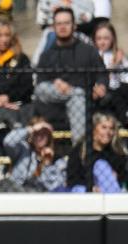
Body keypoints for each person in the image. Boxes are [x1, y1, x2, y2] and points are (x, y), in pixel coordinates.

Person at [33, 6, 106, 145]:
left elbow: (102, 74)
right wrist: (56, 83)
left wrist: (101, 85)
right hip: (53, 102)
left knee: (78, 97)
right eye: (59, 24)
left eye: (66, 23)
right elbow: (40, 83)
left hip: (80, 102)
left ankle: (78, 149)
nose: (62, 27)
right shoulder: (47, 54)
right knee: (42, 89)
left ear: (74, 25)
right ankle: (80, 149)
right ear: (53, 27)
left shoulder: (88, 50)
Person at [0, 116, 68, 192]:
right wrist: (31, 129)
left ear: (49, 136)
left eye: (44, 133)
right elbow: (8, 142)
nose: (40, 137)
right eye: (37, 133)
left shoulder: (57, 159)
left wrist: (47, 163)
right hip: (18, 194)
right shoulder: (23, 150)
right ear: (32, 135)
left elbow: (56, 187)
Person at [66, 111, 126, 192]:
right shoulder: (79, 151)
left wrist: (116, 177)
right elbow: (72, 180)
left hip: (107, 190)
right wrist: (92, 188)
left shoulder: (116, 153)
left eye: (111, 128)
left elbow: (122, 178)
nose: (108, 132)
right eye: (104, 127)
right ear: (94, 129)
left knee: (101, 165)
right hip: (82, 189)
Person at [93, 21, 128, 127]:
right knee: (115, 97)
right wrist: (114, 65)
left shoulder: (117, 53)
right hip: (104, 92)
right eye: (99, 39)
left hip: (118, 87)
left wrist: (121, 63)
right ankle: (127, 118)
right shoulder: (93, 56)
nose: (102, 42)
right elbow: (101, 77)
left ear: (113, 38)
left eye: (106, 38)